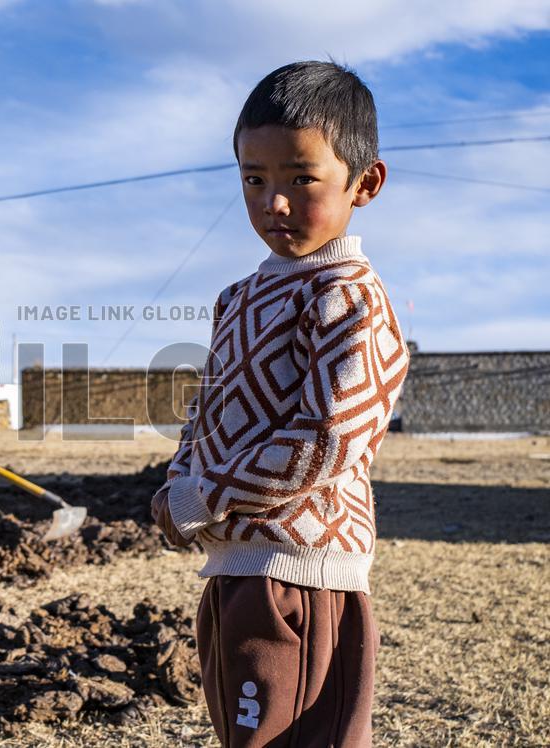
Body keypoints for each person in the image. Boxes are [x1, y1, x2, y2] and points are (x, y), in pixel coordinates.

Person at [152, 61, 410, 747]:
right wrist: (180, 481)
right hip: (234, 568)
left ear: (366, 183)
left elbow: (330, 438)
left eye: (302, 178)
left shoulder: (346, 295)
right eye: (254, 180)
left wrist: (206, 494)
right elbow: (208, 410)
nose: (275, 202)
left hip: (301, 576)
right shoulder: (238, 297)